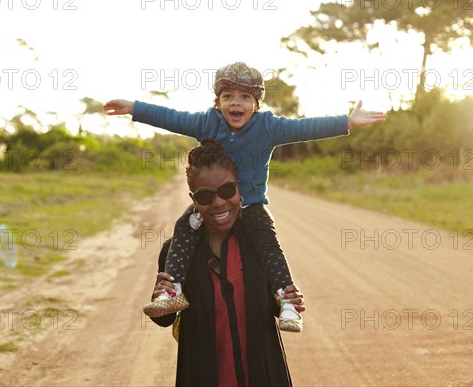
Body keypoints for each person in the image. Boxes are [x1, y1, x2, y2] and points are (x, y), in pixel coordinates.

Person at [104, 62, 386, 332]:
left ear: (256, 104)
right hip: (212, 202)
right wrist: (134, 108)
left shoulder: (268, 127)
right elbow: (173, 118)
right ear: (218, 102)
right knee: (183, 226)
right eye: (228, 96)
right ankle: (172, 290)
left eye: (244, 97)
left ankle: (287, 301)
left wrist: (346, 121)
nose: (236, 103)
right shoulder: (207, 123)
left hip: (250, 204)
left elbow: (306, 127)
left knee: (268, 243)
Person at [148, 139, 304, 386]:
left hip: (262, 374)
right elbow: (164, 318)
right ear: (193, 199)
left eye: (227, 190)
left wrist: (285, 300)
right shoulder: (176, 252)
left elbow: (275, 306)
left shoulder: (257, 246)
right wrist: (160, 294)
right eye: (205, 196)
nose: (219, 202)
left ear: (239, 188)